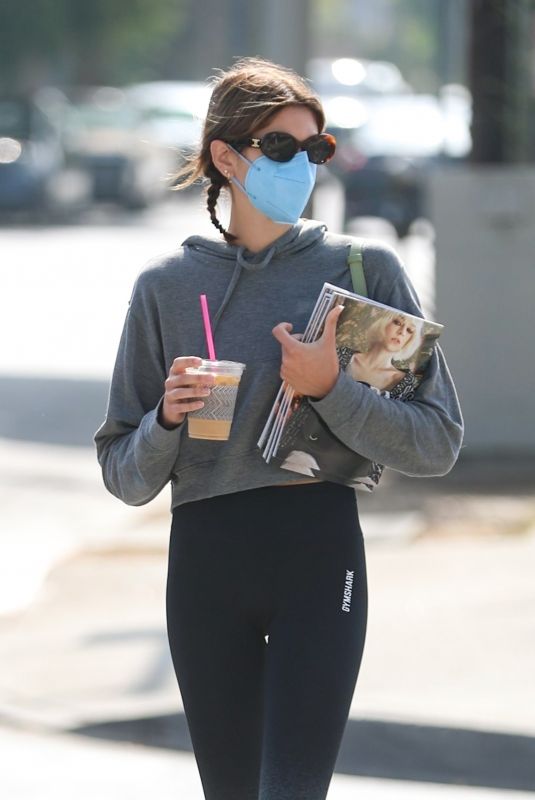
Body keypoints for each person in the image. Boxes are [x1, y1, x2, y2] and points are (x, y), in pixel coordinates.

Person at [94, 57, 464, 800]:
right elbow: (123, 473)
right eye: (283, 147)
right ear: (227, 158)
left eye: (316, 148)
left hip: (319, 555)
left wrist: (329, 389)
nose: (304, 165)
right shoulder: (165, 290)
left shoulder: (365, 273)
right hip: (204, 563)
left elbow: (437, 442)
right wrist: (168, 418)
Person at [345, 310, 424, 391]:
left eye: (409, 330)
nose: (402, 332)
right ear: (382, 322)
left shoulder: (406, 383)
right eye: (397, 322)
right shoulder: (342, 355)